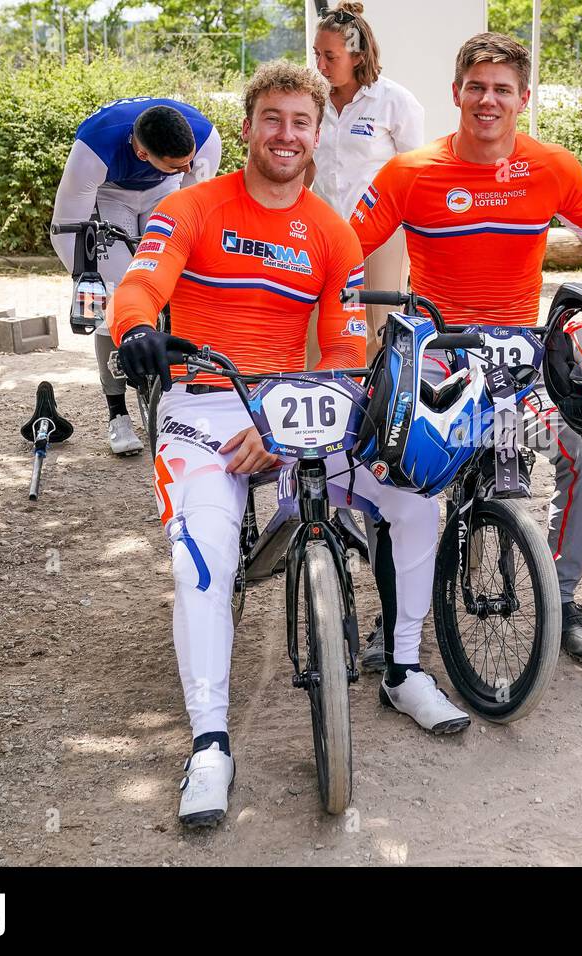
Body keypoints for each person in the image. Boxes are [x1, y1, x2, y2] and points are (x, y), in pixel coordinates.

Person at [108, 62, 470, 829]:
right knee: (199, 554)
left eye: (300, 122)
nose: (286, 135)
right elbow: (141, 283)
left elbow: (340, 354)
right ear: (247, 127)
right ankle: (210, 744)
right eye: (272, 118)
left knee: (411, 498)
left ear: (316, 133)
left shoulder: (329, 231)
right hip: (203, 405)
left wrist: (282, 425)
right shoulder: (192, 206)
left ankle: (403, 668)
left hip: (294, 411)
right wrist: (136, 329)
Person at [349, 31, 582, 664]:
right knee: (395, 459)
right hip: (439, 348)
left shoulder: (551, 167)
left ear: (524, 98)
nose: (489, 100)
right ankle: (395, 612)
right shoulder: (410, 171)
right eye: (477, 88)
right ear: (457, 93)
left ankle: (559, 596)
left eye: (502, 90)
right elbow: (345, 249)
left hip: (523, 351)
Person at [51, 98, 222, 456]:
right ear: (144, 154)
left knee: (178, 279)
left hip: (165, 192)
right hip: (112, 195)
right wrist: (89, 283)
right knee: (113, 300)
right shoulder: (93, 147)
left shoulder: (204, 140)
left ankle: (181, 396)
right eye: (181, 164)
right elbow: (65, 229)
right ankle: (117, 414)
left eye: (190, 159)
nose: (191, 166)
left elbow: (197, 212)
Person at [310, 2, 424, 362]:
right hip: (326, 228)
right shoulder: (312, 99)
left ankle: (382, 405)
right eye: (317, 54)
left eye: (330, 56)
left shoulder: (395, 101)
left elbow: (414, 172)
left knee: (380, 324)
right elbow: (308, 165)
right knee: (317, 318)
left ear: (357, 56)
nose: (321, 65)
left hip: (383, 231)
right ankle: (316, 389)